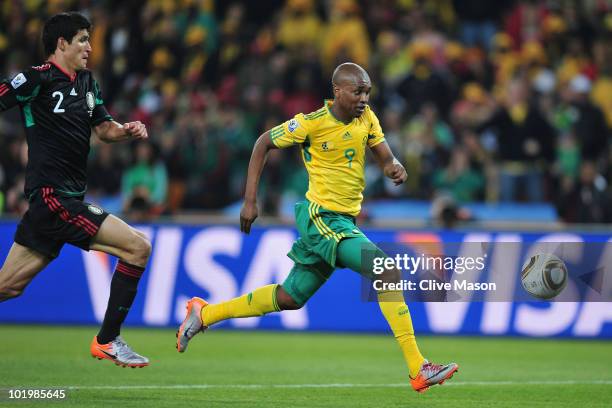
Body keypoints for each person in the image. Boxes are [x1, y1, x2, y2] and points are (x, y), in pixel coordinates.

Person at [177, 62, 458, 393]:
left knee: (290, 297)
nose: (364, 98)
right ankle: (418, 367)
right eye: (358, 92)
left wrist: (393, 165)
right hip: (321, 218)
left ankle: (204, 313)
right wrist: (250, 200)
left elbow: (384, 155)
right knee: (386, 269)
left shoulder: (366, 118)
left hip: (343, 222)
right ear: (338, 91)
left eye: (367, 91)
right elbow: (262, 144)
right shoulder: (311, 123)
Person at [0, 12, 151, 368]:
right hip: (53, 197)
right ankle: (108, 340)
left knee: (8, 287)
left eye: (90, 39)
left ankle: (108, 339)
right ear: (61, 43)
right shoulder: (35, 79)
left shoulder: (87, 82)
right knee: (137, 247)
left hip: (59, 200)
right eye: (82, 39)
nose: (89, 46)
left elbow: (103, 129)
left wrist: (125, 129)